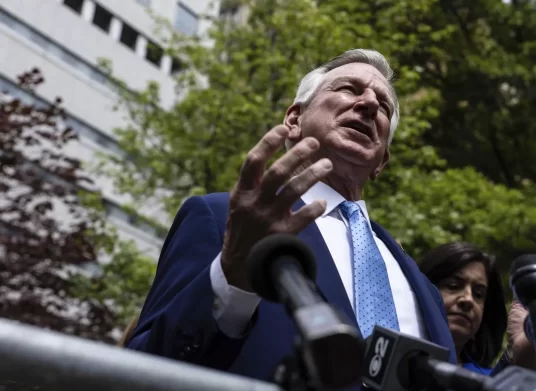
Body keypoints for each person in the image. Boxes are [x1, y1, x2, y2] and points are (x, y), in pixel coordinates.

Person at [125, 49, 456, 389]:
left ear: (382, 160)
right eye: (348, 89)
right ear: (294, 120)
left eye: (383, 106)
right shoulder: (221, 219)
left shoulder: (424, 288)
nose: (369, 104)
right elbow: (142, 368)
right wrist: (231, 280)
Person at [419, 240, 536, 375]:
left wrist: (521, 353)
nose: (468, 299)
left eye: (478, 294)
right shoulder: (394, 349)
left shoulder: (488, 379)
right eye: (453, 285)